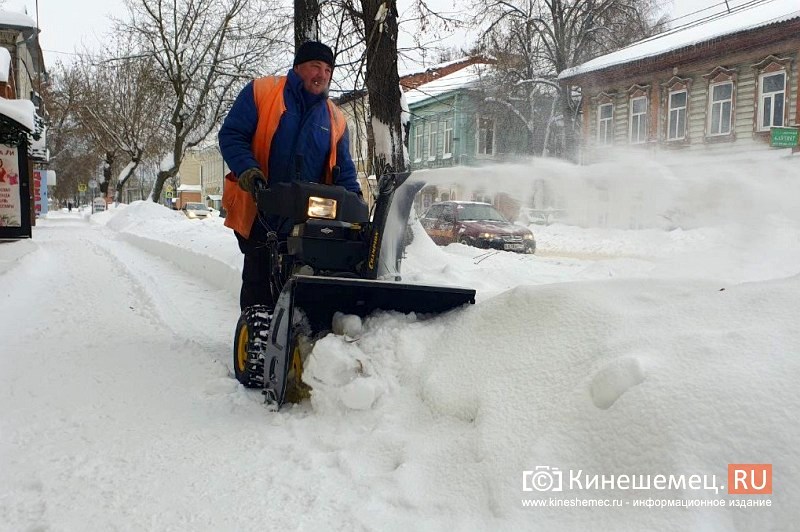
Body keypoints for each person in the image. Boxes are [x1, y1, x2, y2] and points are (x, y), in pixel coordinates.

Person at [219, 41, 362, 312]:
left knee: (302, 280)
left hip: (306, 217)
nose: (322, 74)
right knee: (259, 279)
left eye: (328, 69)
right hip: (259, 206)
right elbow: (232, 135)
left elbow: (344, 170)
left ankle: (291, 339)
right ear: (298, 68)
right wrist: (248, 169)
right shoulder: (262, 92)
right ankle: (255, 341)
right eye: (315, 66)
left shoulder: (335, 119)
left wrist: (356, 201)